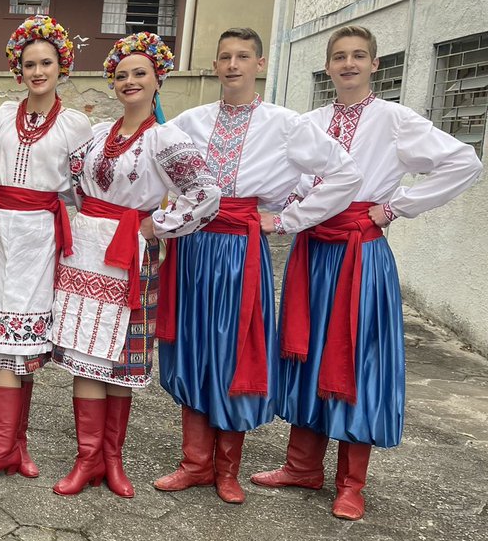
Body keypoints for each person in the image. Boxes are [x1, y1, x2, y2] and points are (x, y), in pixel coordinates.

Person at [251, 25, 482, 520]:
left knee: (358, 357)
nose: (348, 64)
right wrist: (283, 209)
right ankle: (301, 465)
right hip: (312, 249)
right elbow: (286, 177)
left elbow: (463, 161)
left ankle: (351, 483)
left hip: (361, 252)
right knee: (305, 350)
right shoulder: (308, 120)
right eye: (339, 57)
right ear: (328, 67)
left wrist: (397, 206)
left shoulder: (395, 119)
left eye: (359, 56)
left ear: (376, 65)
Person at [153, 28, 360, 504]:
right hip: (194, 248)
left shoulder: (284, 123)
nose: (232, 65)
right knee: (192, 349)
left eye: (242, 56)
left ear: (259, 63)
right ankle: (194, 463)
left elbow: (344, 173)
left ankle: (228, 469)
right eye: (224, 56)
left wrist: (289, 219)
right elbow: (156, 167)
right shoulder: (189, 121)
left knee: (233, 351)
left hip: (241, 253)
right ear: (215, 64)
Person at [47, 32, 221, 498]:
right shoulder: (99, 132)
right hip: (88, 253)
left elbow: (206, 195)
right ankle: (86, 461)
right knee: (87, 358)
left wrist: (154, 226)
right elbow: (70, 183)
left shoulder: (166, 138)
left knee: (121, 359)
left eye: (139, 73)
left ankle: (113, 461)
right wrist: (85, 218)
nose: (129, 81)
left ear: (157, 78)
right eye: (121, 75)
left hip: (132, 255)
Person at [0, 15, 93, 481]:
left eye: (47, 63)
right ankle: (2, 448)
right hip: (1, 233)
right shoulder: (0, 115)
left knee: (26, 343)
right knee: (3, 340)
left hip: (40, 235)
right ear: (18, 69)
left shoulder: (76, 125)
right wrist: (1, 203)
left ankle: (17, 446)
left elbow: (82, 186)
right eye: (29, 64)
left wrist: (56, 213)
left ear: (62, 67)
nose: (38, 71)